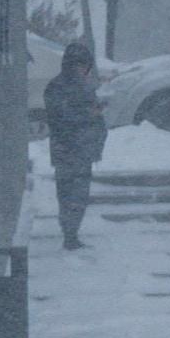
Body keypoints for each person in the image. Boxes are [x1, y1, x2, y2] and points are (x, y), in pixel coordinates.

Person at [43, 40, 108, 250]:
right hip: (70, 148)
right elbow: (59, 118)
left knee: (76, 193)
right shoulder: (59, 87)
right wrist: (89, 115)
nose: (82, 69)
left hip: (81, 148)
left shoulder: (82, 86)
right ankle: (69, 233)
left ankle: (71, 231)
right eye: (79, 64)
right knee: (71, 193)